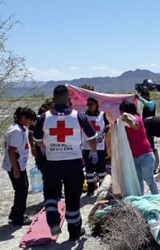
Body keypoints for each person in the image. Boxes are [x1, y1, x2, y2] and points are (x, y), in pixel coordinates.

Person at [33, 85, 98, 241]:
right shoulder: (78, 116)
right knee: (73, 197)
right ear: (69, 99)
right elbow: (92, 138)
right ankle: (74, 232)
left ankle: (53, 220)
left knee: (50, 194)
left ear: (54, 99)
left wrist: (53, 147)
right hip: (73, 163)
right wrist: (94, 152)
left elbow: (38, 142)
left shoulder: (43, 117)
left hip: (52, 163)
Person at [2, 107, 37, 226]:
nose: (31, 123)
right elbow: (12, 151)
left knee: (23, 188)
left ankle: (15, 213)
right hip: (15, 166)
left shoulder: (18, 129)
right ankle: (18, 218)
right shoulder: (16, 131)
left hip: (18, 165)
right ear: (23, 118)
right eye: (30, 120)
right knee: (21, 191)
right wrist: (16, 169)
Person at [119, 100, 159, 195]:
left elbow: (135, 126)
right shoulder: (124, 124)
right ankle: (141, 200)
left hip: (145, 155)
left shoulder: (136, 118)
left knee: (149, 180)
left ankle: (157, 197)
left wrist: (125, 118)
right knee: (138, 181)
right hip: (134, 156)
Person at [82, 97, 110, 196]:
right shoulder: (84, 116)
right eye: (88, 104)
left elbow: (107, 126)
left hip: (100, 146)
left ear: (96, 105)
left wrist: (103, 135)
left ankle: (102, 189)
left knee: (101, 168)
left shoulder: (102, 115)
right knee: (89, 169)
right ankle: (90, 189)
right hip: (87, 146)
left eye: (92, 104)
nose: (90, 106)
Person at [28, 99, 54, 173]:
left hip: (53, 149)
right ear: (47, 107)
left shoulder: (56, 118)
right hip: (40, 150)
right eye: (52, 106)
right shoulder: (38, 119)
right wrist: (32, 147)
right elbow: (30, 134)